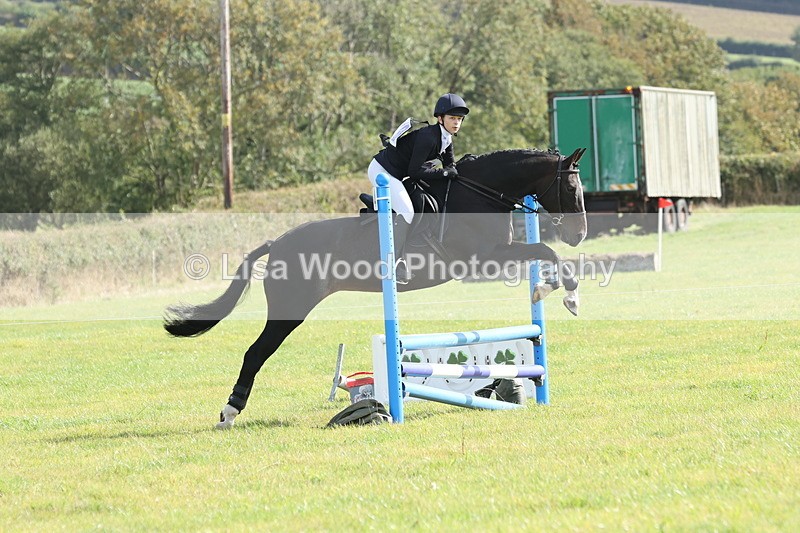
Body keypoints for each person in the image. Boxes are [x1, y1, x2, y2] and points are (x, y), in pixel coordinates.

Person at [368, 93, 469, 282]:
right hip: (383, 172)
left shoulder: (446, 139)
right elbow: (415, 172)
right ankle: (393, 263)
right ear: (440, 119)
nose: (456, 122)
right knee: (407, 211)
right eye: (452, 118)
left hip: (399, 174)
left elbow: (451, 167)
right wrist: (444, 173)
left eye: (459, 119)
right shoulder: (428, 137)